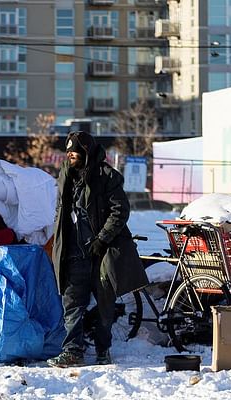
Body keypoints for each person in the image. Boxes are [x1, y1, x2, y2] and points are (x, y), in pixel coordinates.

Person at [47, 131, 149, 368]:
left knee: (105, 304)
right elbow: (60, 209)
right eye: (68, 150)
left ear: (87, 152)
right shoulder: (65, 174)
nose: (70, 154)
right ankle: (73, 351)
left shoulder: (107, 176)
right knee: (71, 304)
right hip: (72, 253)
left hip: (100, 253)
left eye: (76, 151)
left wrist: (102, 239)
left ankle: (103, 349)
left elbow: (119, 211)